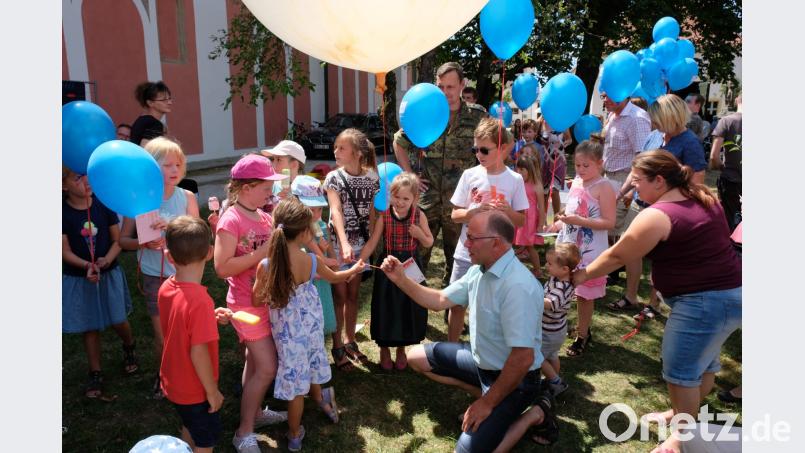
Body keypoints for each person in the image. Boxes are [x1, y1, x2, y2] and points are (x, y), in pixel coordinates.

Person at [573, 150, 741, 453]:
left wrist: (582, 275)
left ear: (659, 180)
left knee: (681, 372)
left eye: (638, 182)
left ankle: (680, 438)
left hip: (704, 302)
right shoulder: (703, 196)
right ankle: (682, 417)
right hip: (728, 295)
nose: (635, 188)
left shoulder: (657, 215)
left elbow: (618, 255)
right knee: (703, 366)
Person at [380, 211, 559, 452]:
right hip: (482, 363)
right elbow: (440, 299)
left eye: (472, 238)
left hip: (516, 379)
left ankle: (534, 413)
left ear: (495, 243)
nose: (465, 243)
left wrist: (486, 403)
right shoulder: (480, 269)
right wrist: (401, 279)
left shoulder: (518, 287)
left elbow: (522, 358)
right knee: (416, 357)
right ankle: (491, 398)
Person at [252, 198, 365, 451]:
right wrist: (354, 269)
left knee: (295, 389)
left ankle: (294, 435)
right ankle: (318, 399)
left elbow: (255, 298)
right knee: (312, 361)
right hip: (311, 331)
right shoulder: (311, 261)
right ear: (304, 233)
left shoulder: (267, 265)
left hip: (287, 338)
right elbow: (336, 277)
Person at [212, 154, 289, 453]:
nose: (270, 191)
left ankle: (254, 413)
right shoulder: (231, 218)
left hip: (265, 301)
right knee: (268, 368)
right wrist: (261, 254)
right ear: (246, 187)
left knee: (255, 362)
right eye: (266, 186)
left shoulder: (264, 215)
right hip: (245, 305)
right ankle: (243, 432)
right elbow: (221, 267)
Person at [609, 93, 707, 311]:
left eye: (657, 118)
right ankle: (631, 296)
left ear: (671, 117)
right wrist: (622, 192)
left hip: (666, 212)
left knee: (660, 257)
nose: (653, 123)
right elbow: (638, 169)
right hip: (639, 203)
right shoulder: (654, 136)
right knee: (629, 248)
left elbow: (696, 183)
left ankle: (653, 304)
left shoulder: (690, 143)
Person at [119, 137, 199, 399]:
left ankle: (189, 374)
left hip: (185, 277)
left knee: (187, 333)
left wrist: (175, 231)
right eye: (167, 165)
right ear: (151, 167)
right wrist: (144, 241)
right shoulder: (139, 201)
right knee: (162, 335)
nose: (175, 170)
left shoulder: (186, 197)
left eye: (179, 164)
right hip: (154, 277)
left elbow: (198, 237)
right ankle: (163, 377)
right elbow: (123, 241)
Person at [393, 62, 486, 287]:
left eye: (450, 87)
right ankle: (416, 306)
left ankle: (451, 306)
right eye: (441, 86)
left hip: (460, 201)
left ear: (463, 85)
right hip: (428, 198)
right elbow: (399, 142)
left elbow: (490, 146)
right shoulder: (427, 111)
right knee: (417, 252)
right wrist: (410, 175)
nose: (445, 92)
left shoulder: (477, 116)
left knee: (458, 256)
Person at [448, 117, 529, 342]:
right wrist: (473, 212)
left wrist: (508, 212)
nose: (479, 155)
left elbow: (521, 221)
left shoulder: (514, 180)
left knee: (489, 309)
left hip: (497, 258)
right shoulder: (469, 175)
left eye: (485, 150)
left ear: (502, 148)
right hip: (466, 254)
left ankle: (485, 352)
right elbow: (455, 215)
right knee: (456, 304)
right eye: (476, 149)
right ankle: (451, 349)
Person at [62, 166, 137, 399]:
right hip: (80, 276)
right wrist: (87, 266)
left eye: (87, 176)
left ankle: (129, 346)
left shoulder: (102, 205)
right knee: (90, 324)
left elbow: (118, 240)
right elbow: (63, 250)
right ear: (64, 186)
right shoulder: (61, 212)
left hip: (109, 271)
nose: (86, 181)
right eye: (77, 178)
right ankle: (95, 371)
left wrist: (107, 259)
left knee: (117, 319)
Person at [159, 216, 232, 453]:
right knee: (205, 440)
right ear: (210, 253)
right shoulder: (200, 302)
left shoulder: (166, 288)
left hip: (174, 382)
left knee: (189, 425)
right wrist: (212, 392)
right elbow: (198, 351)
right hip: (196, 390)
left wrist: (208, 318)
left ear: (169, 256)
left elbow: (180, 324)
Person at [549, 134, 616, 357]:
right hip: (569, 245)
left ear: (600, 163)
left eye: (586, 165)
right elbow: (572, 211)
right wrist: (559, 222)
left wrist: (579, 221)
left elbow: (609, 222)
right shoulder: (577, 181)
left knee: (585, 295)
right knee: (565, 287)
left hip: (589, 250)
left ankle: (583, 334)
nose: (580, 169)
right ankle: (564, 325)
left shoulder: (603, 186)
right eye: (577, 165)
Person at [360, 172, 434, 370]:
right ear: (390, 195)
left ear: (414, 199)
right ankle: (384, 348)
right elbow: (373, 242)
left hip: (410, 265)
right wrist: (361, 260)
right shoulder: (385, 217)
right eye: (396, 197)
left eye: (406, 198)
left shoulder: (419, 215)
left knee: (405, 306)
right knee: (386, 306)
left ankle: (401, 348)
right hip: (389, 265)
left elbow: (429, 241)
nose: (400, 202)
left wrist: (419, 234)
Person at [323, 128, 379, 370]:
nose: (336, 151)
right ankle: (337, 345)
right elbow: (335, 210)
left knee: (354, 295)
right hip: (336, 248)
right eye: (336, 147)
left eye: (341, 148)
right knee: (339, 296)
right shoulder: (333, 178)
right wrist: (344, 244)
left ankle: (350, 340)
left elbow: (374, 216)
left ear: (357, 153)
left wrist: (365, 248)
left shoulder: (372, 179)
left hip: (361, 248)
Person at [600, 91, 651, 245]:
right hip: (609, 178)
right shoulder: (612, 116)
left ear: (622, 92)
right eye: (603, 96)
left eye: (608, 95)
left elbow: (643, 158)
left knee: (615, 231)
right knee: (606, 229)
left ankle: (613, 266)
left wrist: (631, 190)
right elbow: (608, 152)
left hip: (626, 180)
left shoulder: (637, 118)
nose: (605, 100)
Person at [291, 175, 338, 337]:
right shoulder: (294, 232)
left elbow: (324, 258)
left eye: (320, 209)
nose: (317, 215)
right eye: (312, 210)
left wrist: (322, 248)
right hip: (303, 284)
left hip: (320, 282)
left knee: (321, 317)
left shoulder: (321, 226)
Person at [540, 243, 580, 397]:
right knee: (552, 356)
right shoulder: (556, 278)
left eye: (550, 264)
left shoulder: (562, 288)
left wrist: (532, 296)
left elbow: (549, 304)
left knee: (535, 356)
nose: (546, 265)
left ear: (564, 269)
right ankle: (552, 380)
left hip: (549, 332)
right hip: (555, 330)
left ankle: (556, 382)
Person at [709, 94, 742, 232]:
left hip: (731, 180)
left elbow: (714, 156)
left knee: (730, 222)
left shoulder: (727, 121)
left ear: (737, 100)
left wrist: (720, 167)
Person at [513, 153, 546, 276]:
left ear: (530, 170)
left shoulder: (537, 185)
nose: (519, 172)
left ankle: (537, 270)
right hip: (518, 215)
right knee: (519, 244)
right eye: (518, 169)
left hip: (529, 219)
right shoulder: (518, 182)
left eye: (522, 169)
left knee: (530, 246)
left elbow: (542, 207)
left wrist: (541, 224)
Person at [536, 118, 572, 217]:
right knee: (544, 192)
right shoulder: (540, 122)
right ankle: (544, 221)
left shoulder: (563, 121)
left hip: (558, 159)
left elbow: (569, 139)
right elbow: (535, 137)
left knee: (555, 191)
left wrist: (564, 143)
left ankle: (557, 219)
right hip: (544, 160)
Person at [131, 81, 172, 147]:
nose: (170, 102)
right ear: (150, 103)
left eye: (169, 98)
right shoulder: (154, 124)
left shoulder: (142, 120)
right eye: (164, 100)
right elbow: (147, 151)